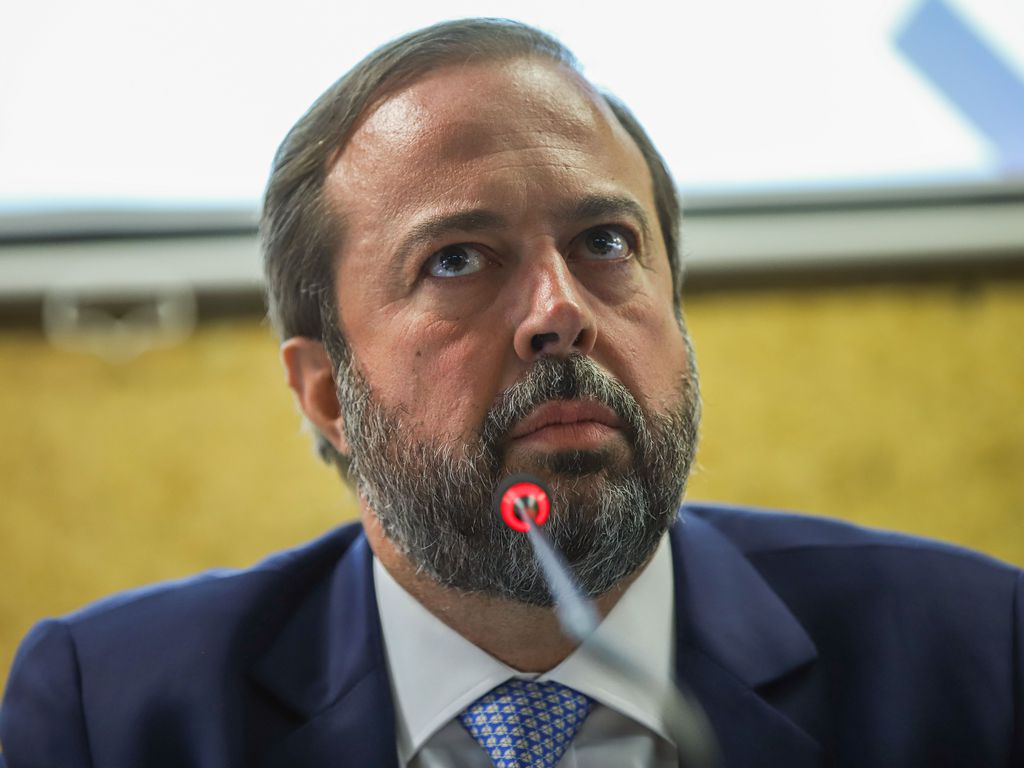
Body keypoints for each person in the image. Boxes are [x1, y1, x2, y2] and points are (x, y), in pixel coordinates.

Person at [1, 18, 1021, 768]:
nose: (559, 312)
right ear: (326, 396)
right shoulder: (113, 714)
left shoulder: (973, 652)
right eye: (456, 259)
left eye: (606, 242)